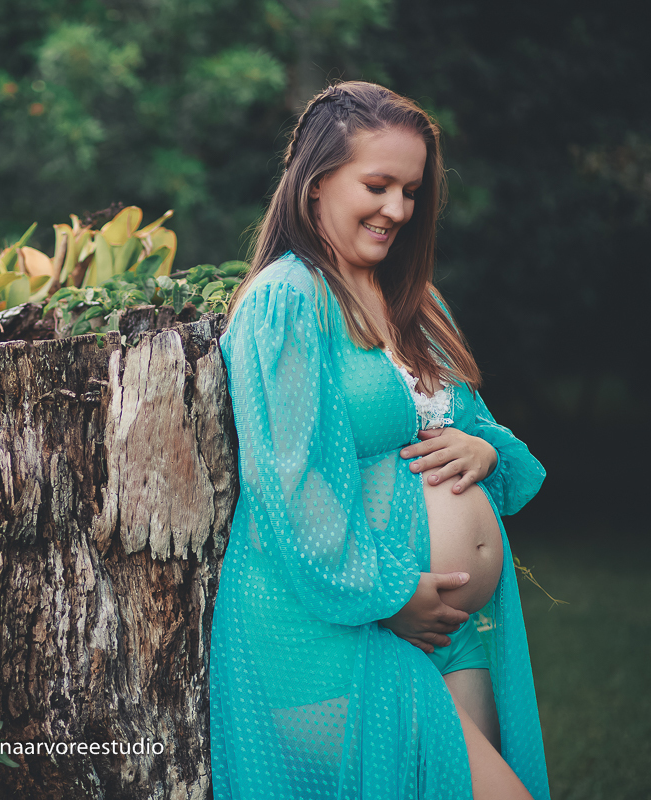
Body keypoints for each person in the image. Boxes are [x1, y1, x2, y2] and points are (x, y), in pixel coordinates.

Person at [209, 81, 549, 799]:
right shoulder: (287, 300)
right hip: (344, 626)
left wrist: (486, 451)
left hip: (447, 625)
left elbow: (477, 428)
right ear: (315, 182)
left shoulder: (418, 302)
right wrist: (389, 596)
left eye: (412, 191)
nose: (397, 209)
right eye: (378, 185)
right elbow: (290, 484)